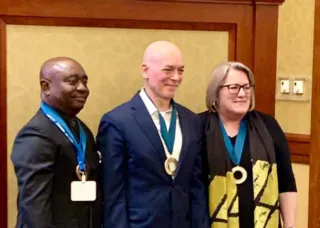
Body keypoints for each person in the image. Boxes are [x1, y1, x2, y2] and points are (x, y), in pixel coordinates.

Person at [97, 40, 208, 228]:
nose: (176, 77)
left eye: (180, 70)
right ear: (145, 70)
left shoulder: (192, 121)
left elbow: (197, 187)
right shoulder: (117, 122)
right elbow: (112, 194)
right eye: (168, 70)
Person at [200, 61, 297, 228]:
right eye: (234, 87)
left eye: (246, 87)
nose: (242, 93)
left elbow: (286, 181)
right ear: (216, 91)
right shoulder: (198, 127)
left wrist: (290, 225)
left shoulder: (268, 125)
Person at [11, 57, 101, 228]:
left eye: (85, 81)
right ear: (46, 87)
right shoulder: (35, 135)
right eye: (72, 82)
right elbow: (35, 208)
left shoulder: (80, 129)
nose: (83, 88)